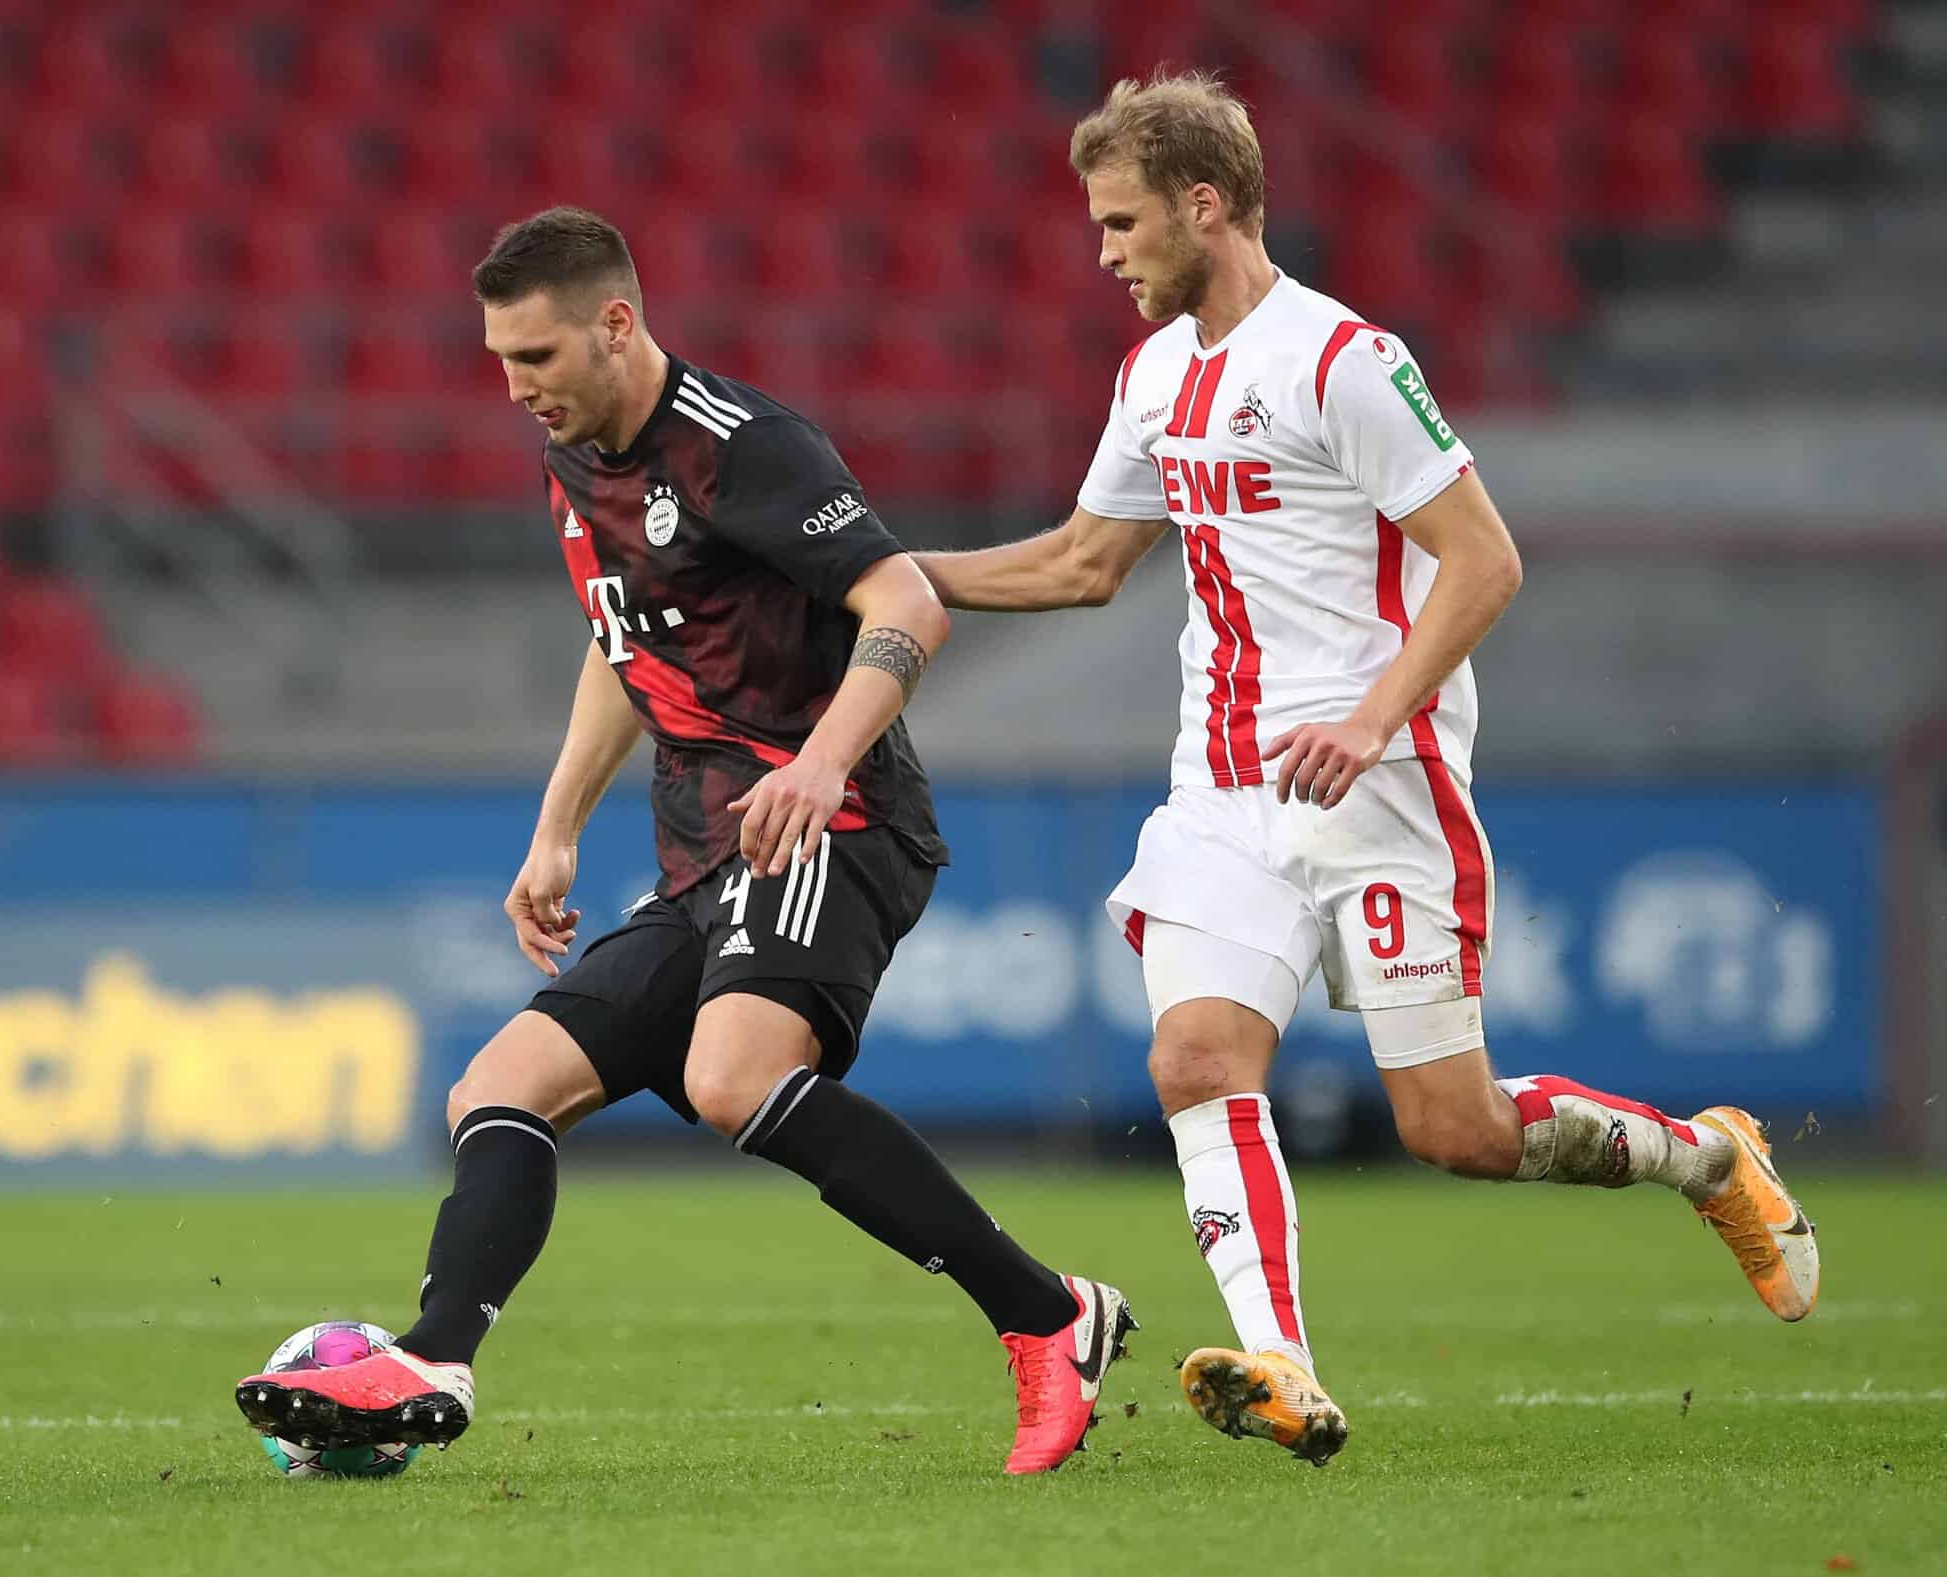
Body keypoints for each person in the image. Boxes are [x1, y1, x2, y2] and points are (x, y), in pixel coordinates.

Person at [912, 73, 1818, 1467]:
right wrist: (902, 577)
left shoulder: (1342, 360)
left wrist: (1373, 717)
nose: (1103, 252)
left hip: (1379, 781)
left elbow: (1485, 558)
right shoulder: (1153, 374)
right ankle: (1284, 1365)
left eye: (1122, 221)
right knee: (1195, 1055)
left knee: (1453, 1126)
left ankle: (1708, 1157)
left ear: (1204, 205)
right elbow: (1085, 564)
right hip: (1221, 788)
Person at [235, 207, 1133, 1477]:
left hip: (835, 817)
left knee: (729, 1076)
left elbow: (907, 601)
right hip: (700, 850)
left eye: (536, 356)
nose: (515, 387)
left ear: (617, 323)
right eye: (499, 359)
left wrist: (819, 764)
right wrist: (555, 829)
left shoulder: (744, 448)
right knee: (496, 1088)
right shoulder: (575, 457)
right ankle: (435, 1355)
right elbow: (625, 644)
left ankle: (1044, 1317)